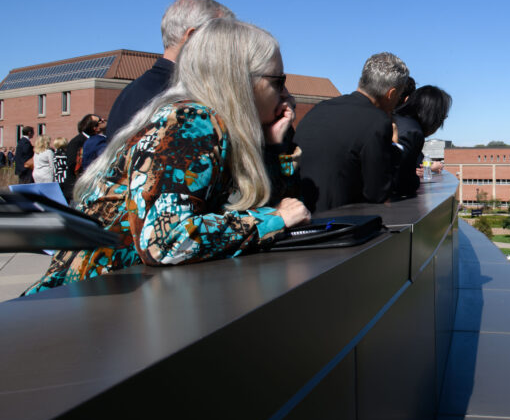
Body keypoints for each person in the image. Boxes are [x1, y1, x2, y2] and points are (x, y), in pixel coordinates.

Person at [24, 19, 310, 294]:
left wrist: (274, 146)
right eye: (279, 80)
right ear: (240, 80)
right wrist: (273, 219)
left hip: (120, 299)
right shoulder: (191, 122)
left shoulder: (216, 127)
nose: (287, 94)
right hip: (90, 304)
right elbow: (166, 240)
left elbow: (282, 205)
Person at [106, 0, 235, 138]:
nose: (228, 50)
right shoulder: (178, 99)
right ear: (192, 38)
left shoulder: (133, 92)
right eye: (222, 39)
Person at [295, 52, 410, 212]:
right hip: (338, 224)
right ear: (391, 94)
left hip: (301, 215)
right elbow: (377, 193)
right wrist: (394, 144)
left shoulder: (321, 108)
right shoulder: (377, 121)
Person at [393, 85, 452, 197]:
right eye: (442, 117)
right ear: (432, 115)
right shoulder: (413, 132)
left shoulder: (397, 119)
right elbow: (402, 181)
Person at [63, 114, 101, 198]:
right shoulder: (77, 142)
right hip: (78, 187)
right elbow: (72, 164)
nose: (103, 122)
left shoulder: (98, 140)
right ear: (94, 127)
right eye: (100, 121)